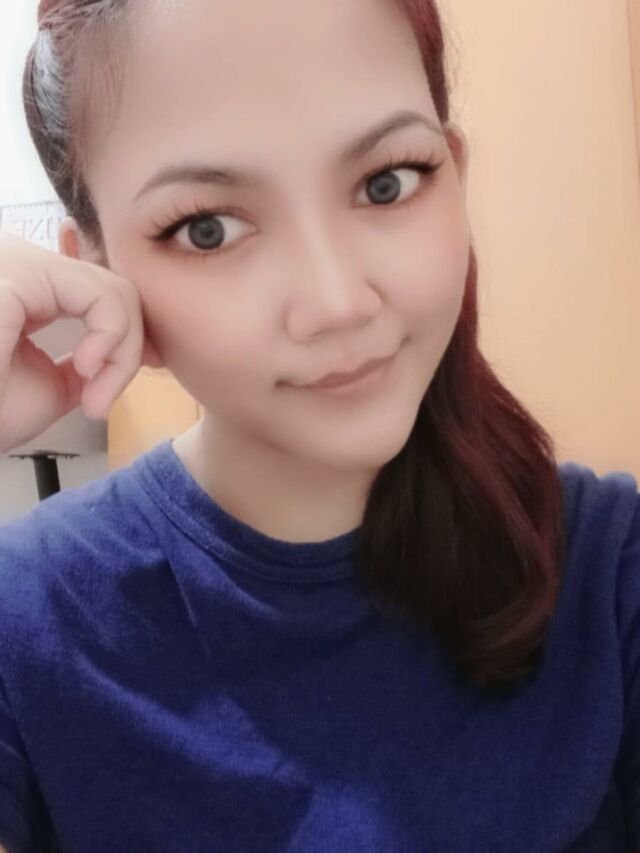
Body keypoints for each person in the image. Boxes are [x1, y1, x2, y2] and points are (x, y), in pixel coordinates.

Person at [0, 0, 637, 850]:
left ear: (454, 175)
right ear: (100, 275)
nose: (337, 302)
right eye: (208, 229)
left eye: (387, 182)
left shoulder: (609, 573)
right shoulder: (28, 622)